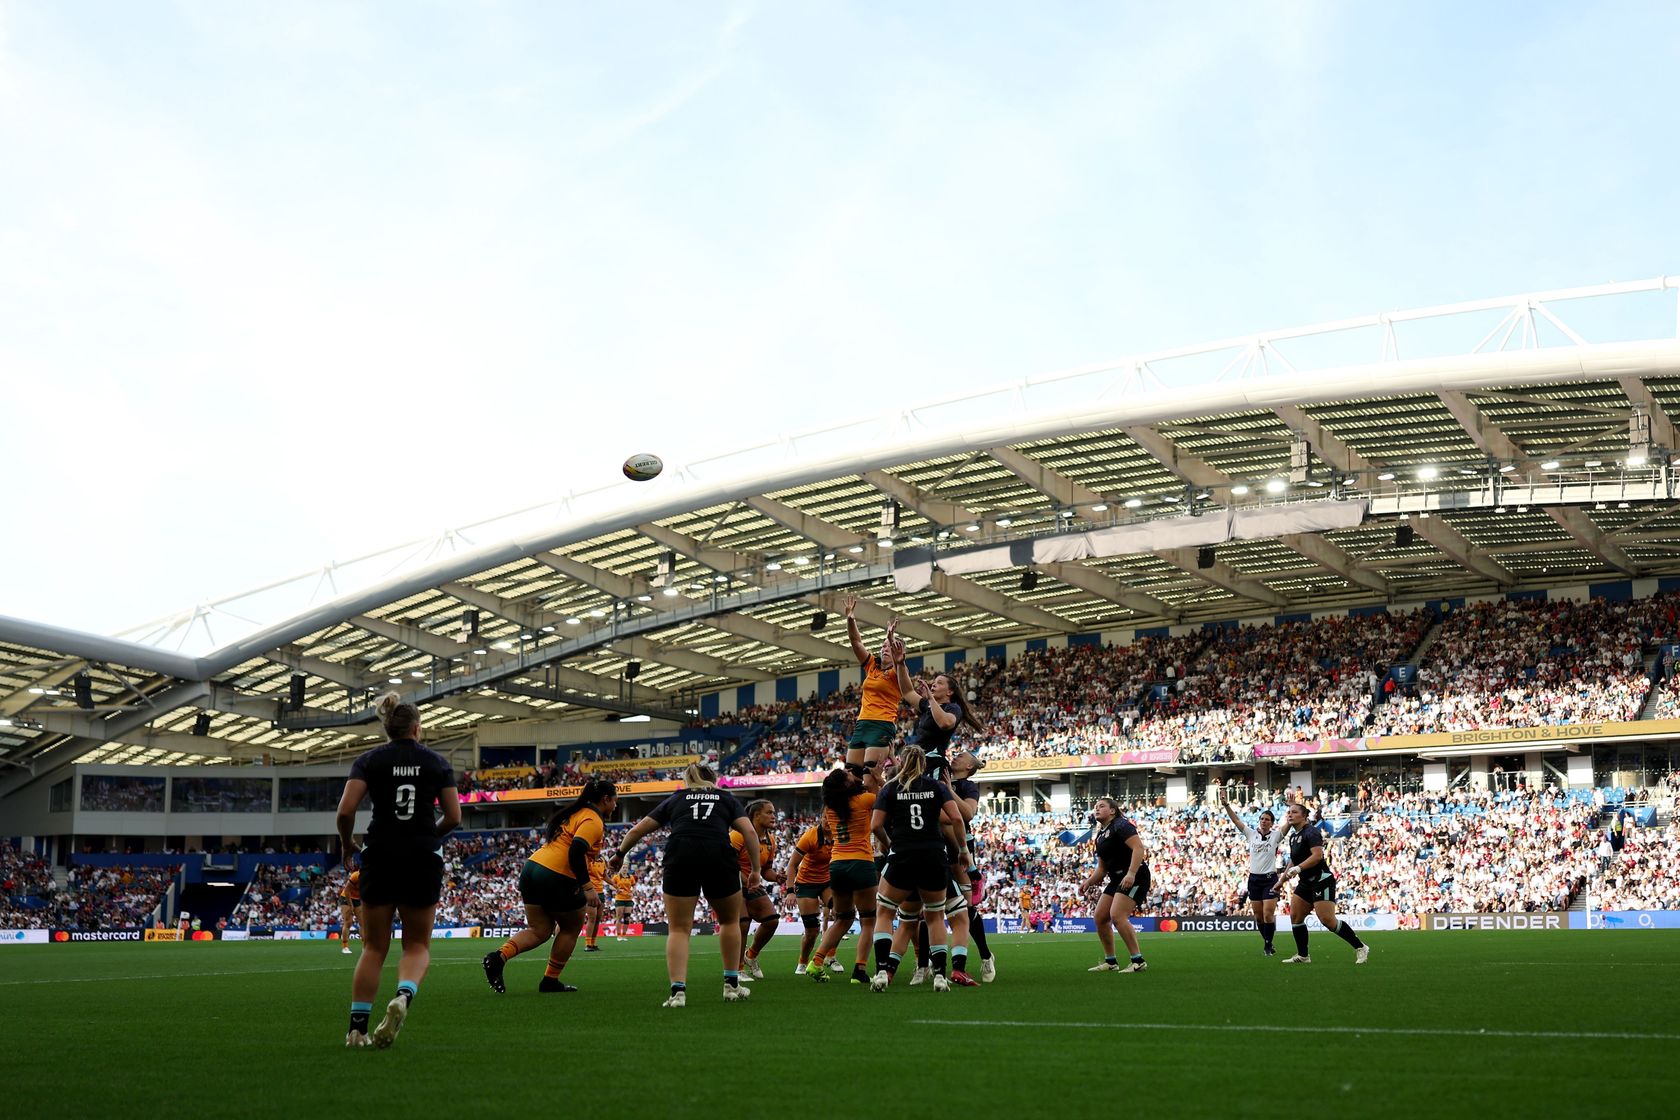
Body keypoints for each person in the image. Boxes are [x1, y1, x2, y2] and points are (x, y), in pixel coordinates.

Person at [336, 692, 461, 1049]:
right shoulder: (437, 762)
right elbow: (454, 817)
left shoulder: (369, 760)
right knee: (417, 945)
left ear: (388, 728)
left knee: (373, 947)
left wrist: (347, 845)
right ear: (417, 729)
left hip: (379, 856)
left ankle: (356, 1030)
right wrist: (426, 838)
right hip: (422, 858)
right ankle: (403, 996)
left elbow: (345, 812)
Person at [608, 763, 760, 1006]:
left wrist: (619, 853)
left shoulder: (677, 798)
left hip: (680, 854)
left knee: (679, 929)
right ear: (715, 779)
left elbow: (639, 829)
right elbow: (750, 833)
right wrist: (755, 870)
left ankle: (677, 992)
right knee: (729, 921)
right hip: (718, 855)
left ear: (688, 781)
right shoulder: (726, 798)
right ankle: (731, 986)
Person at [481, 779, 618, 993]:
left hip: (532, 868)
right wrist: (588, 887)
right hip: (557, 874)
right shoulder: (592, 819)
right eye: (615, 801)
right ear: (606, 799)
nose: (616, 806)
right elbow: (575, 851)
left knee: (540, 930)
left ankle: (499, 957)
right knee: (571, 927)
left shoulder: (573, 813)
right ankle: (550, 981)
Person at [867, 745, 968, 992]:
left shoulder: (890, 788)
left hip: (902, 856)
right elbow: (957, 818)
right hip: (933, 856)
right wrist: (963, 850)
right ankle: (940, 976)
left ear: (901, 762)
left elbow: (875, 825)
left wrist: (889, 844)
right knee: (934, 918)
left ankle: (881, 971)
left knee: (885, 913)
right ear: (923, 764)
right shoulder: (936, 787)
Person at [806, 765, 883, 983]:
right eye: (849, 775)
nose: (854, 775)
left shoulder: (830, 808)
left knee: (842, 919)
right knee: (868, 920)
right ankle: (859, 970)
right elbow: (887, 800)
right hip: (861, 862)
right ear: (846, 784)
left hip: (837, 864)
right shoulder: (864, 800)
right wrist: (878, 779)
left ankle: (817, 961)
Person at [1275, 803, 1370, 965]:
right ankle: (1303, 956)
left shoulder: (1311, 832)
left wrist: (1298, 868)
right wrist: (1282, 880)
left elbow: (1317, 856)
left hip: (1321, 879)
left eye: (1294, 812)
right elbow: (1294, 860)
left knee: (1327, 920)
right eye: (1288, 812)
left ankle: (1360, 947)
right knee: (1296, 917)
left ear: (1304, 816)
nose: (1290, 815)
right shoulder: (1293, 836)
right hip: (1305, 881)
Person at [1082, 797, 1148, 973]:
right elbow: (1102, 869)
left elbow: (1138, 848)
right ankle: (1111, 962)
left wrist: (1131, 873)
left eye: (1101, 806)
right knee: (1100, 917)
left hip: (1136, 875)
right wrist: (1088, 881)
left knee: (1117, 915)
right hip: (1116, 878)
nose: (1096, 809)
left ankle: (1138, 961)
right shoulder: (1100, 836)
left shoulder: (1121, 825)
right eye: (1095, 807)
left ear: (1112, 810)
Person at [1222, 792, 1286, 956]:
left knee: (1268, 914)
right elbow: (1236, 820)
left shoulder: (1276, 836)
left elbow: (1290, 824)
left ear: (1272, 823)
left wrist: (1291, 807)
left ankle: (1267, 945)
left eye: (1267, 819)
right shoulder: (1252, 834)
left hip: (1270, 879)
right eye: (1262, 818)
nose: (1264, 821)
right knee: (1258, 917)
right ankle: (1268, 942)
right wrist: (1226, 805)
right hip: (1254, 879)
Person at [843, 596, 902, 769]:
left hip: (882, 724)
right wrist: (850, 618)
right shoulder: (871, 666)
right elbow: (856, 642)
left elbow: (900, 666)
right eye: (883, 646)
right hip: (862, 723)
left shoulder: (897, 671)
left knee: (870, 777)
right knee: (851, 774)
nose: (885, 649)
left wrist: (891, 639)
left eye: (889, 647)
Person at [733, 800, 780, 980]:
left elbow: (766, 869)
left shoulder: (771, 841)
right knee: (742, 924)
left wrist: (776, 877)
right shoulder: (738, 835)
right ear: (756, 815)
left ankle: (750, 956)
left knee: (772, 920)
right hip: (733, 885)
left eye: (773, 812)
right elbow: (728, 864)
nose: (773, 816)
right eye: (769, 812)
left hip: (751, 885)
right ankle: (737, 969)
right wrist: (747, 880)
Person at [784, 822, 834, 976]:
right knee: (812, 931)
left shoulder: (840, 834)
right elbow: (792, 865)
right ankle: (803, 961)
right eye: (824, 817)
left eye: (830, 817)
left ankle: (830, 957)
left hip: (827, 882)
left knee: (843, 913)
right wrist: (790, 891)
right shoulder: (810, 836)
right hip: (806, 884)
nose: (827, 821)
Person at [583, 852, 608, 952]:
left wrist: (615, 885)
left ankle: (593, 943)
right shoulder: (587, 859)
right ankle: (587, 944)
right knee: (592, 918)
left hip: (601, 892)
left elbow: (604, 876)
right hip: (591, 892)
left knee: (597, 919)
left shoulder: (602, 860)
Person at [337, 865, 361, 956]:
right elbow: (347, 891)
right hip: (346, 897)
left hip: (358, 899)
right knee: (348, 922)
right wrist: (351, 906)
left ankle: (365, 947)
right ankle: (345, 947)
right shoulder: (356, 875)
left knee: (362, 923)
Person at [609, 867, 636, 941]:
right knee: (619, 917)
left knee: (627, 917)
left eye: (626, 868)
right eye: (623, 868)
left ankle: (624, 935)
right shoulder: (616, 877)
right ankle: (618, 935)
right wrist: (617, 889)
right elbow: (610, 886)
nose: (624, 869)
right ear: (620, 869)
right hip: (619, 899)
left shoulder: (631, 877)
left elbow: (634, 886)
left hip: (628, 899)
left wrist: (632, 892)